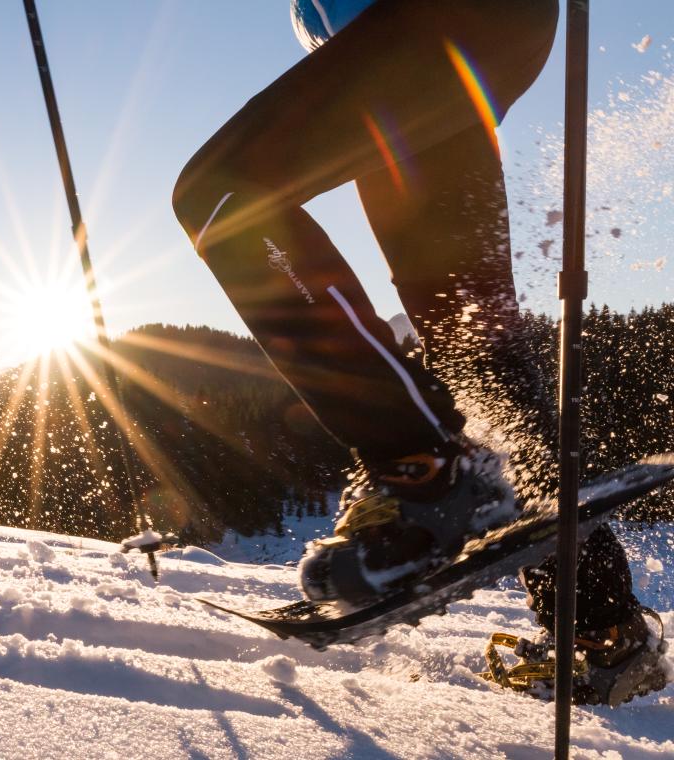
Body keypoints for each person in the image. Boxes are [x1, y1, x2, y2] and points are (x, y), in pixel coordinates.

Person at [171, 0, 664, 704]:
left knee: (222, 193)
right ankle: (605, 634)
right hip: (459, 46)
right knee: (474, 349)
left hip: (429, 29)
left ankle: (426, 472)